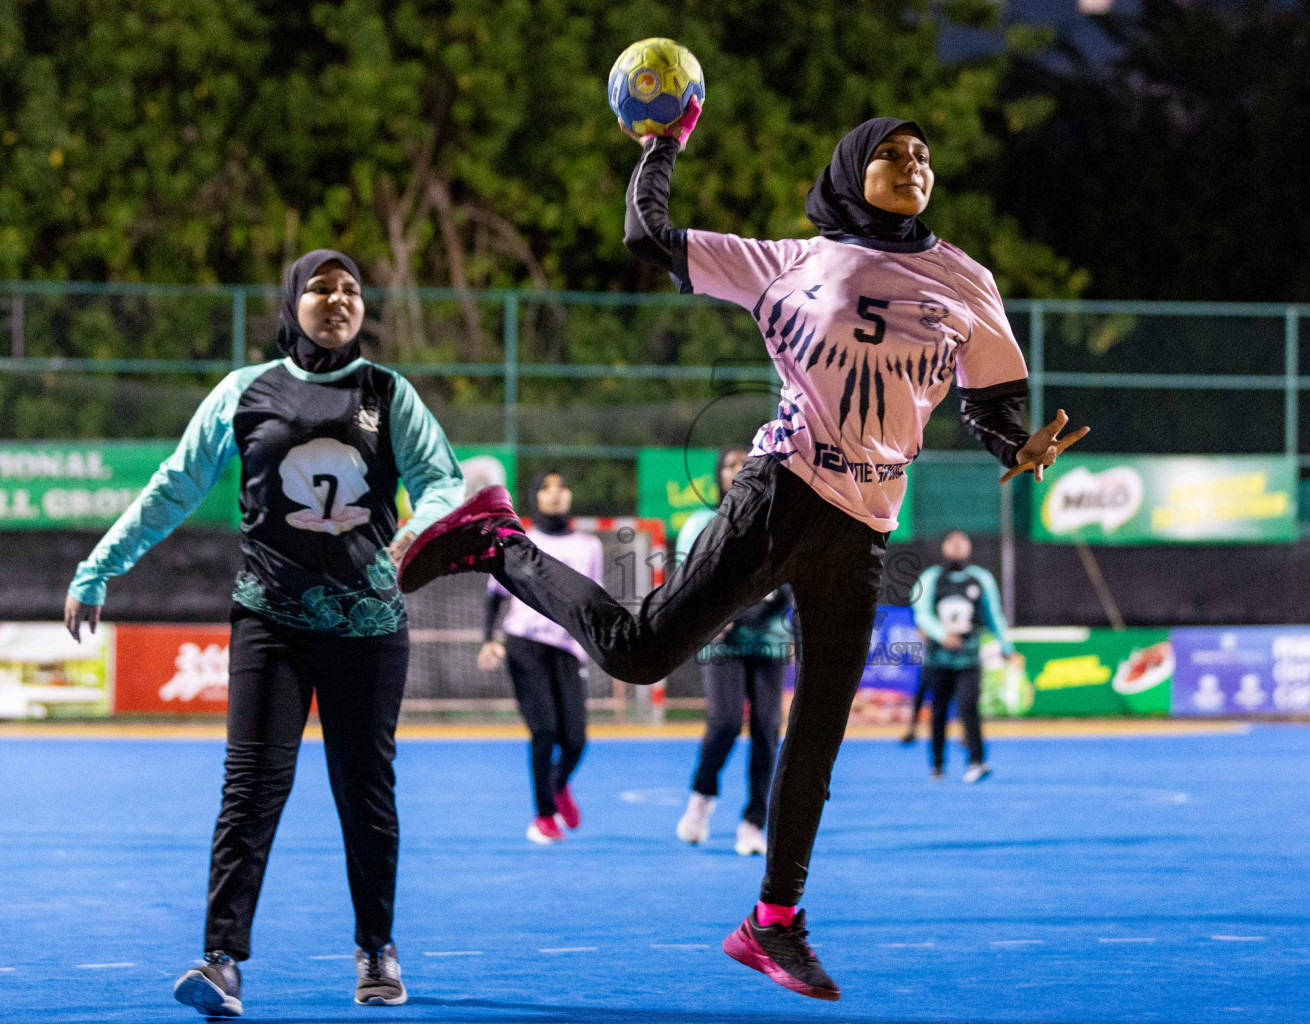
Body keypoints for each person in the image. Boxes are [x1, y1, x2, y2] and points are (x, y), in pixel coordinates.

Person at [397, 111, 1088, 1001]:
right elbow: (648, 235)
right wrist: (662, 145)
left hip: (868, 524)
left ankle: (774, 923)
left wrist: (1014, 446)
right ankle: (495, 538)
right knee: (639, 651)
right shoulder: (790, 262)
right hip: (783, 491)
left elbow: (989, 397)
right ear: (849, 171)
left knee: (819, 735)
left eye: (922, 154)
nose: (913, 163)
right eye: (892, 153)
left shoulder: (966, 279)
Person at [63, 250, 464, 1016]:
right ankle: (221, 962)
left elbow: (442, 478)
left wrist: (422, 530)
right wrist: (99, 564)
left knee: (365, 794)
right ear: (293, 301)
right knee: (249, 791)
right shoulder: (244, 392)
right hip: (269, 622)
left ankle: (376, 949)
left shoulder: (389, 392)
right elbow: (175, 485)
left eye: (350, 288)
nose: (338, 299)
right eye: (321, 288)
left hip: (369, 626)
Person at [674, 447, 793, 856]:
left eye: (745, 461)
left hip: (769, 638)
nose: (737, 469)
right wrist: (711, 617)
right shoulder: (702, 523)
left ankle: (752, 822)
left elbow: (792, 576)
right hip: (721, 639)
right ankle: (701, 801)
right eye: (728, 464)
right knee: (724, 722)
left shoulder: (778, 520)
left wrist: (764, 613)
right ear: (718, 474)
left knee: (766, 729)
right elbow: (688, 576)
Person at [478, 470, 603, 844]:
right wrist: (488, 639)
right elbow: (494, 595)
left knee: (576, 740)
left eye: (562, 486)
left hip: (567, 649)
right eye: (546, 488)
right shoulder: (519, 542)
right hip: (524, 644)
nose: (555, 494)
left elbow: (592, 600)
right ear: (535, 497)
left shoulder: (589, 546)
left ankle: (557, 785)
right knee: (545, 730)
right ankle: (544, 815)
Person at [910, 530, 1017, 782]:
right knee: (938, 711)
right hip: (938, 659)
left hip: (969, 658)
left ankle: (977, 761)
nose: (957, 547)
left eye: (962, 542)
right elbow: (921, 612)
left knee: (969, 707)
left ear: (969, 547)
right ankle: (937, 764)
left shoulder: (980, 579)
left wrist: (1007, 646)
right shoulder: (932, 577)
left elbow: (994, 616)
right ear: (944, 547)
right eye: (952, 542)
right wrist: (940, 633)